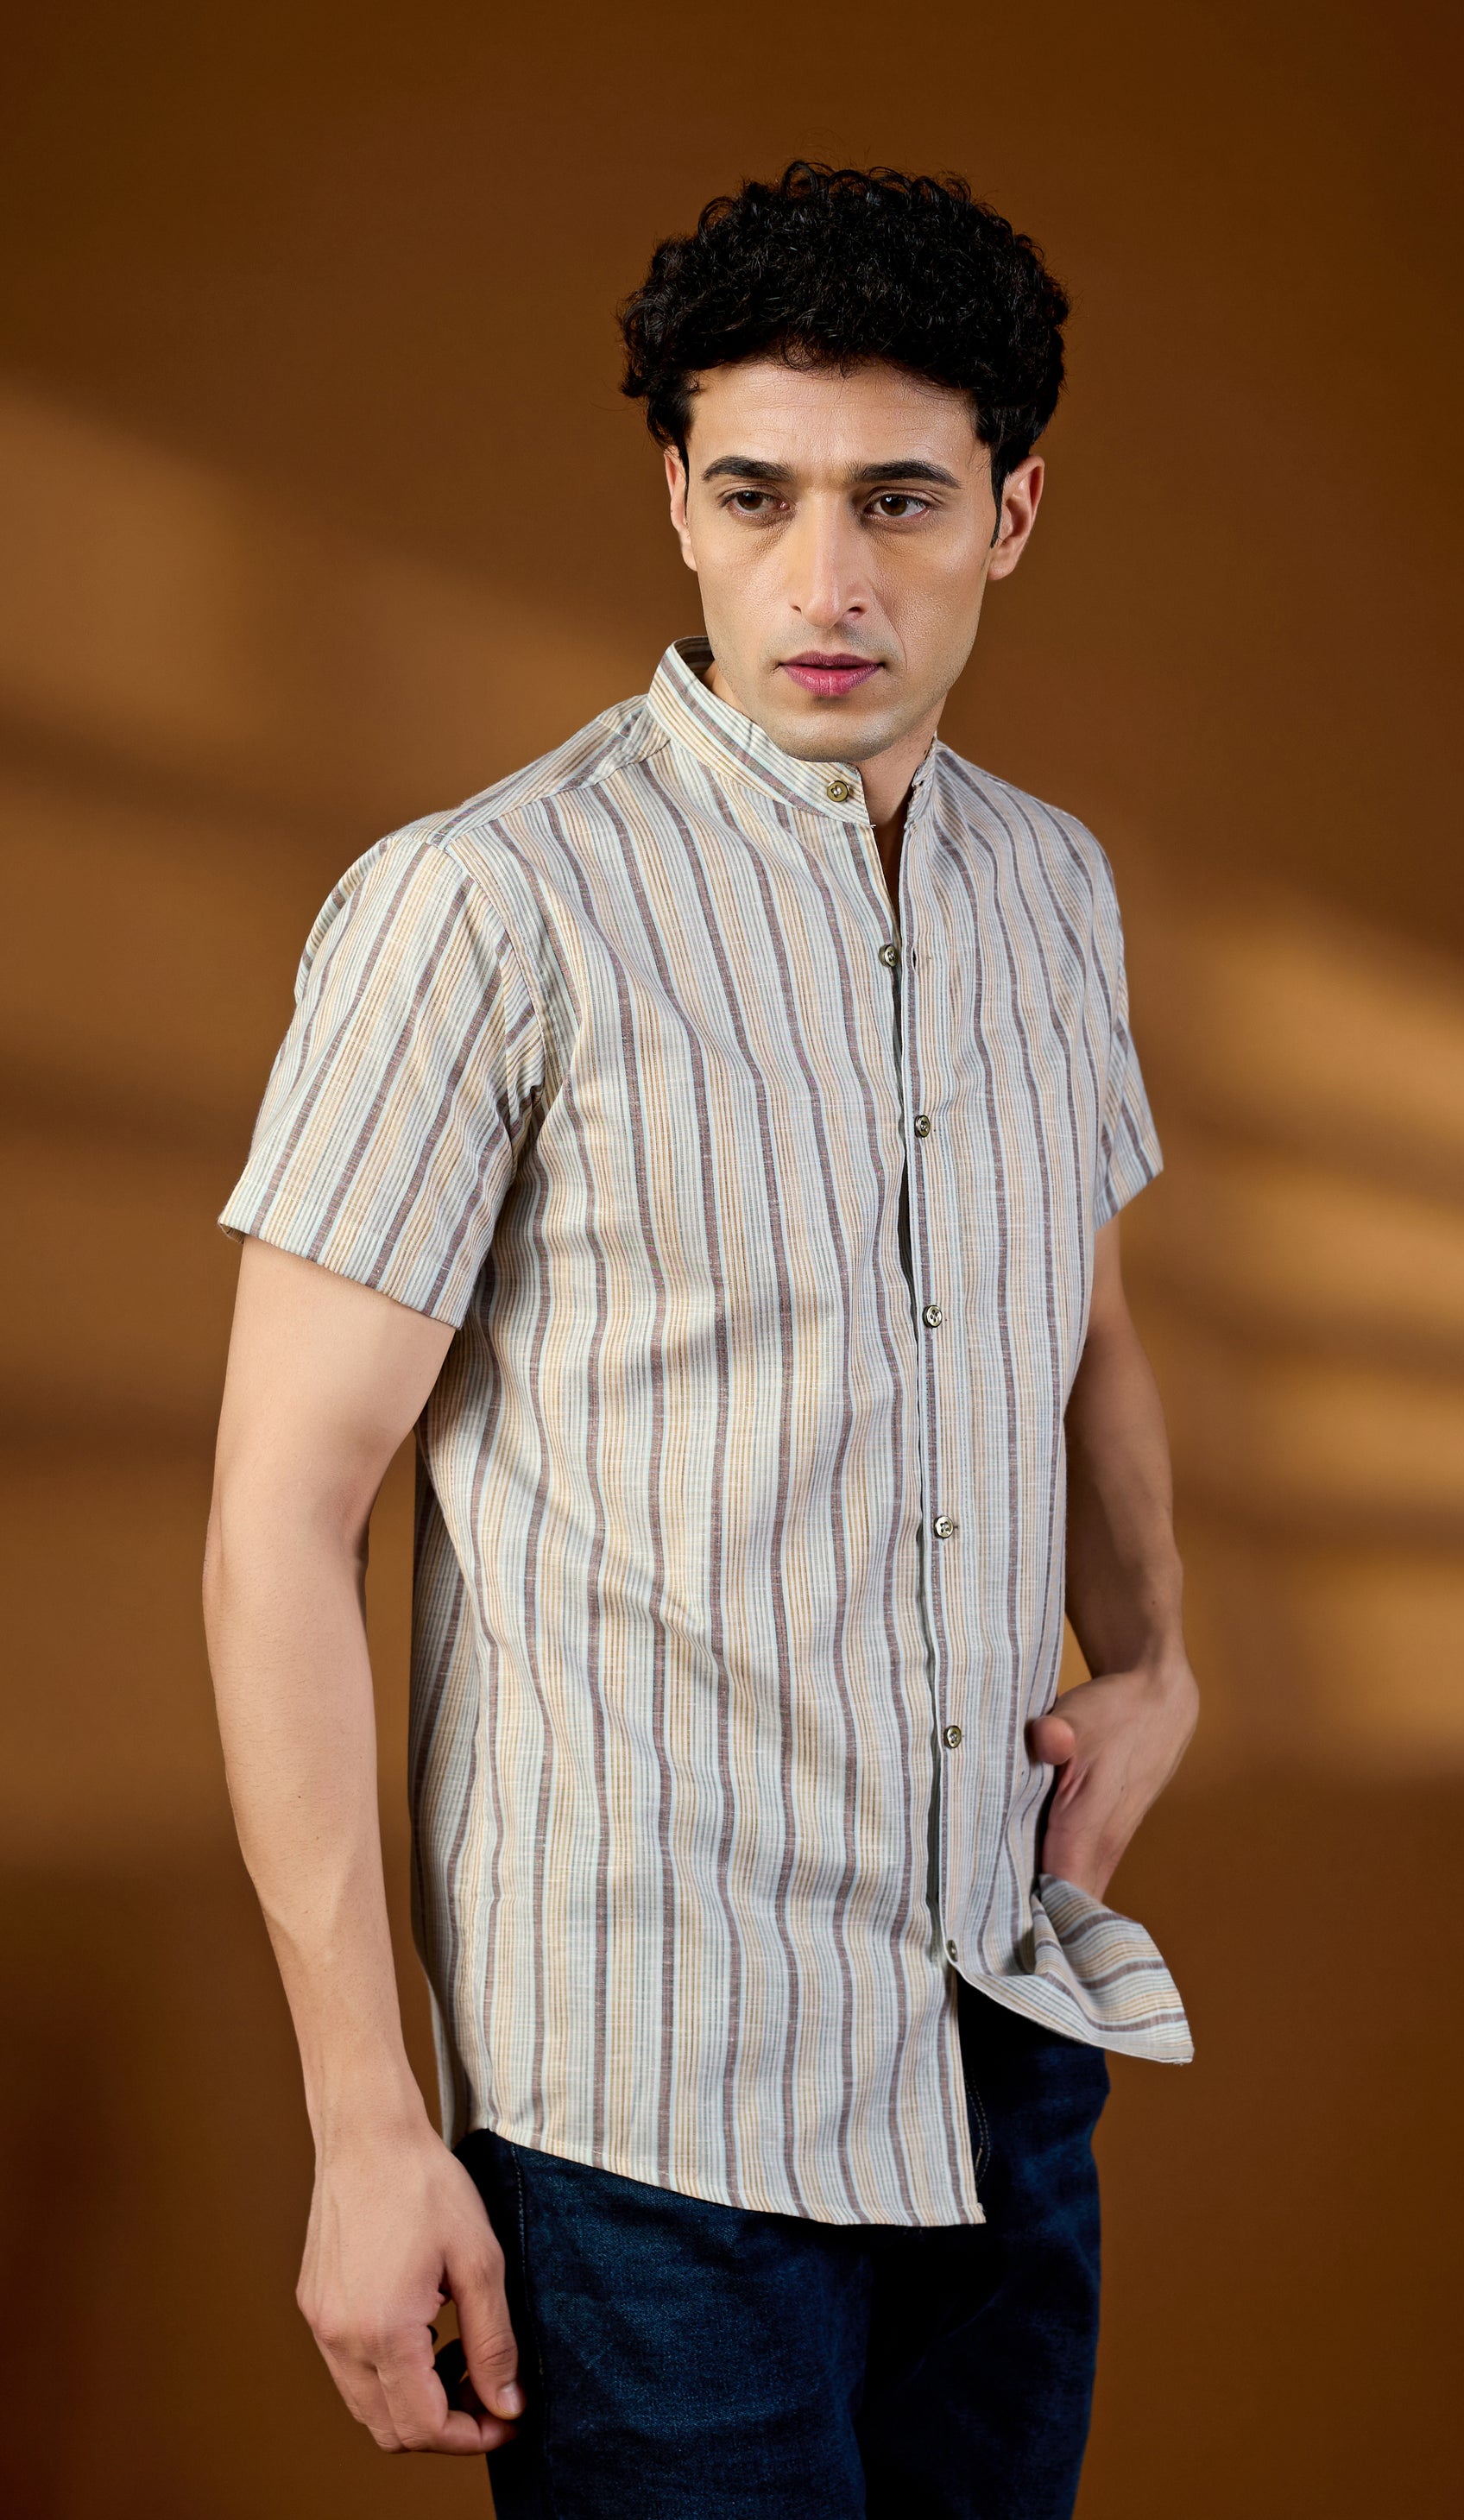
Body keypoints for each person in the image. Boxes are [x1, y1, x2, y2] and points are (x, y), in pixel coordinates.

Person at [203, 160, 1198, 2520]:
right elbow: (279, 1522)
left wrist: (1158, 1652)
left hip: (994, 2040)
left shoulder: (1049, 887)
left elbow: (1074, 1310)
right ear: (677, 498)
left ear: (1012, 512)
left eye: (896, 502)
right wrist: (366, 2122)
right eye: (756, 496)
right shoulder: (483, 910)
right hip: (643, 2117)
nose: (823, 582)